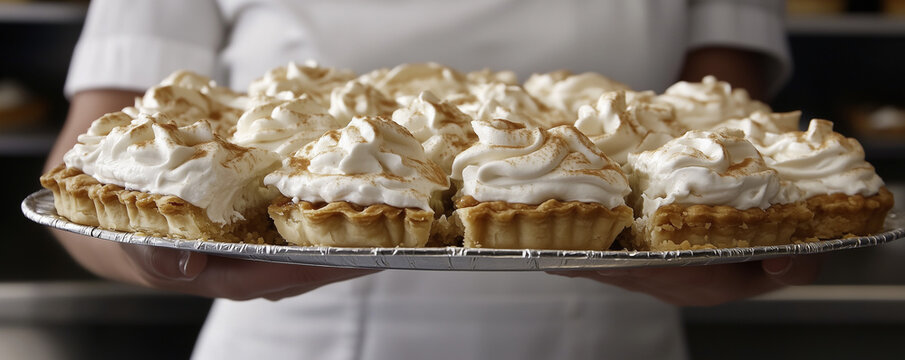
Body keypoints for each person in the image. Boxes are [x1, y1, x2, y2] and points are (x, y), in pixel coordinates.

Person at [47, 1, 820, 359]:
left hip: (612, 337)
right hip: (292, 340)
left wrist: (742, 254)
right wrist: (156, 254)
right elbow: (87, 168)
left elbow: (736, 141)